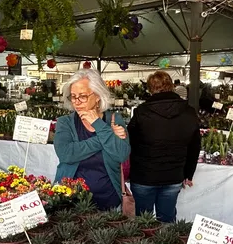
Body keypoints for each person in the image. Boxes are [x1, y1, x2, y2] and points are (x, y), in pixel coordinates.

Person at [127, 71, 200, 222]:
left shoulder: (141, 112)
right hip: (173, 175)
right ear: (171, 86)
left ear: (150, 88)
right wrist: (188, 173)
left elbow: (130, 143)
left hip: (144, 175)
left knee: (143, 222)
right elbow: (194, 146)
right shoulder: (189, 111)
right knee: (167, 220)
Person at [54, 69, 130, 211]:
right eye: (73, 97)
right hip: (70, 201)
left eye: (82, 96)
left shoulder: (114, 120)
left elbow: (121, 154)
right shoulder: (65, 122)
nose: (76, 102)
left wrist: (98, 124)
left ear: (97, 96)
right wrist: (106, 135)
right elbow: (66, 154)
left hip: (109, 201)